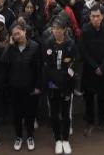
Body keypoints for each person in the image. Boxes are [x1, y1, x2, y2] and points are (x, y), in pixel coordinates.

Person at [3, 23, 41, 152]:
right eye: (14, 35)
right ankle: (18, 137)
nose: (16, 36)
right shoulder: (11, 48)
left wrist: (37, 86)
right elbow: (3, 61)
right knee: (17, 115)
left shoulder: (34, 46)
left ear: (24, 31)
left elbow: (38, 68)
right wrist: (9, 45)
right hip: (14, 88)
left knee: (30, 114)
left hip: (30, 88)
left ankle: (30, 136)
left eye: (18, 33)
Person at [43, 18, 77, 154]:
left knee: (66, 114)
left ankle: (65, 140)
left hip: (66, 85)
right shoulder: (48, 44)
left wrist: (64, 79)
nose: (56, 31)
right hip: (52, 85)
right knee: (54, 114)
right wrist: (55, 78)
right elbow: (46, 65)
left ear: (64, 30)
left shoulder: (70, 44)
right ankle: (57, 139)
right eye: (54, 29)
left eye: (59, 29)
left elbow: (73, 64)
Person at [79, 6, 104, 136]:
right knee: (89, 97)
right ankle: (90, 122)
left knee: (102, 97)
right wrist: (95, 67)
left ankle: (102, 121)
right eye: (93, 16)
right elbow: (83, 51)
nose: (95, 19)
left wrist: (103, 66)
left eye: (98, 16)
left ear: (102, 17)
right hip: (90, 70)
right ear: (89, 17)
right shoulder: (85, 31)